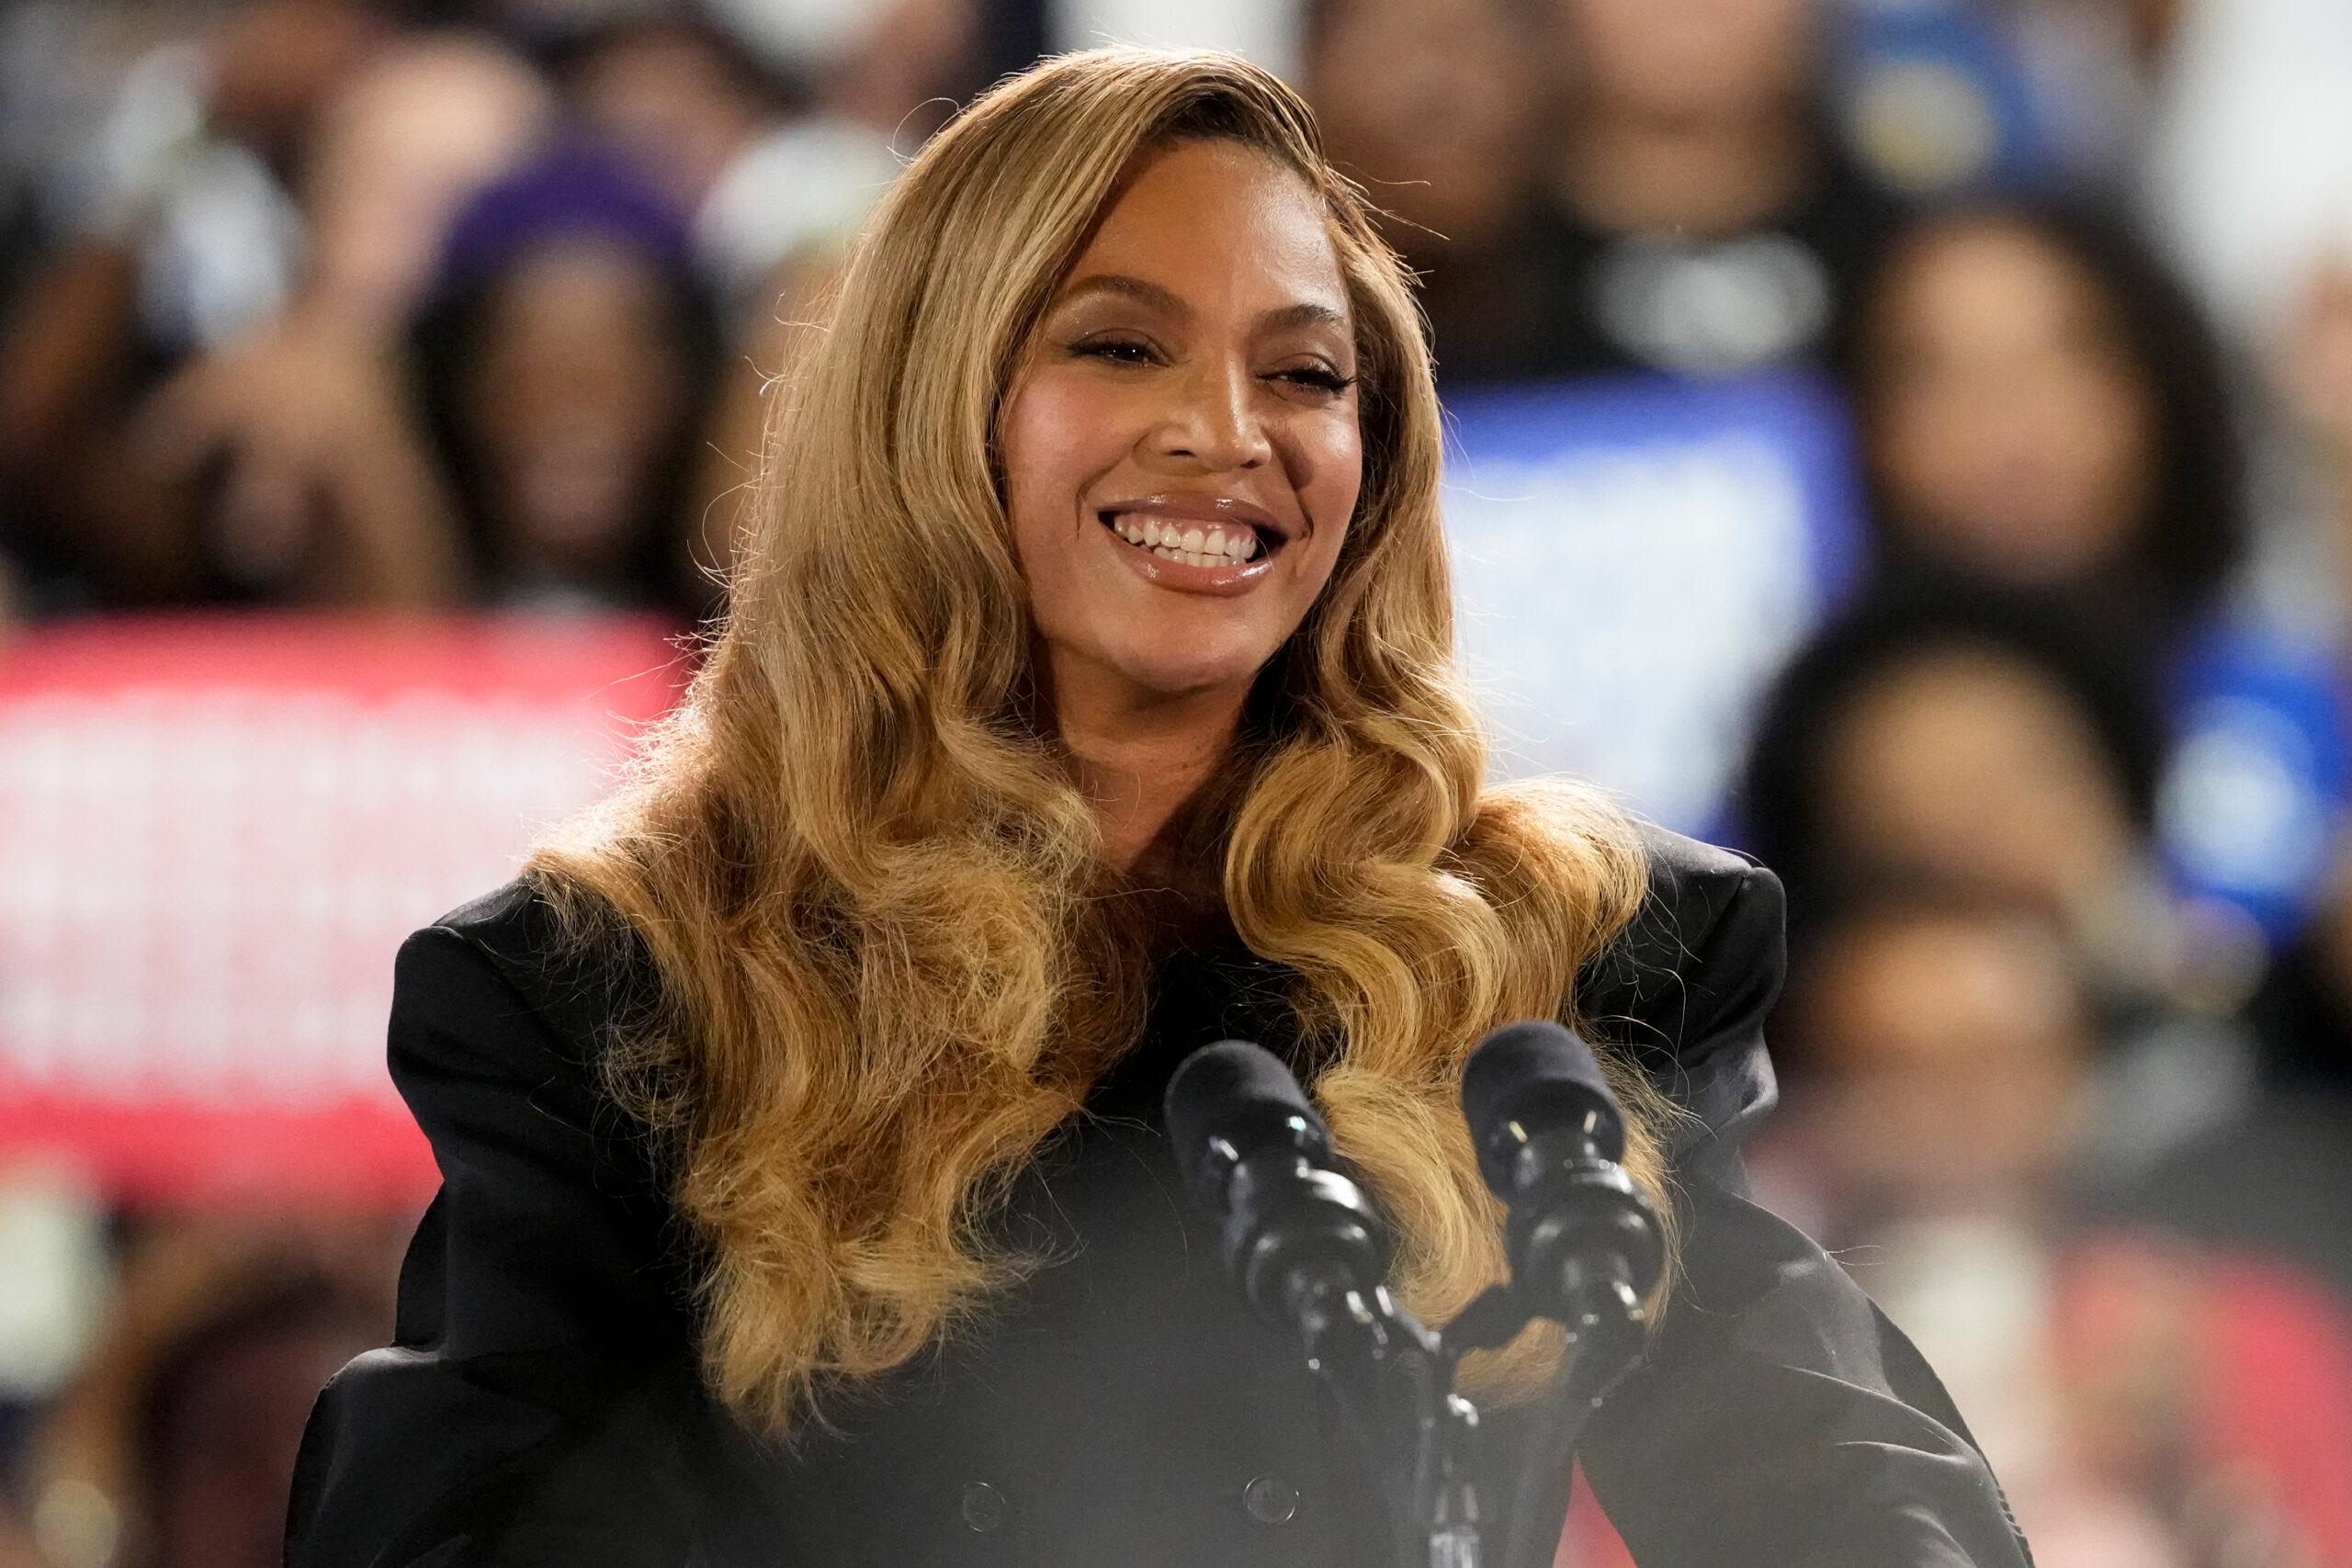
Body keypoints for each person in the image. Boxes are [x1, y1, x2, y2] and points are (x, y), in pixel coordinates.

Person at [286, 49, 2030, 1568]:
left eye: (1307, 373)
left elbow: (1843, 1493)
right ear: (928, 407)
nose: (1226, 431)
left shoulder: (1570, 964)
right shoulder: (632, 989)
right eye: (1120, 346)